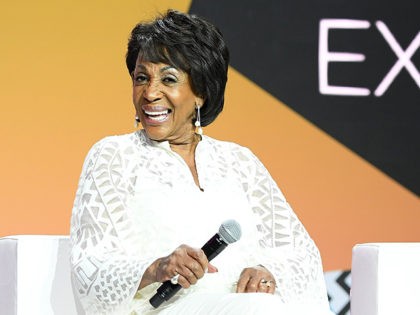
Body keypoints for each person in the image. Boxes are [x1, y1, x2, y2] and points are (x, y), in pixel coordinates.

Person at [70, 10, 333, 315]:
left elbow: (301, 254)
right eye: (141, 78)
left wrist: (267, 272)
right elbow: (90, 265)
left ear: (201, 92)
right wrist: (158, 267)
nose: (150, 93)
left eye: (168, 79)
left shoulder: (240, 162)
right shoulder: (113, 156)